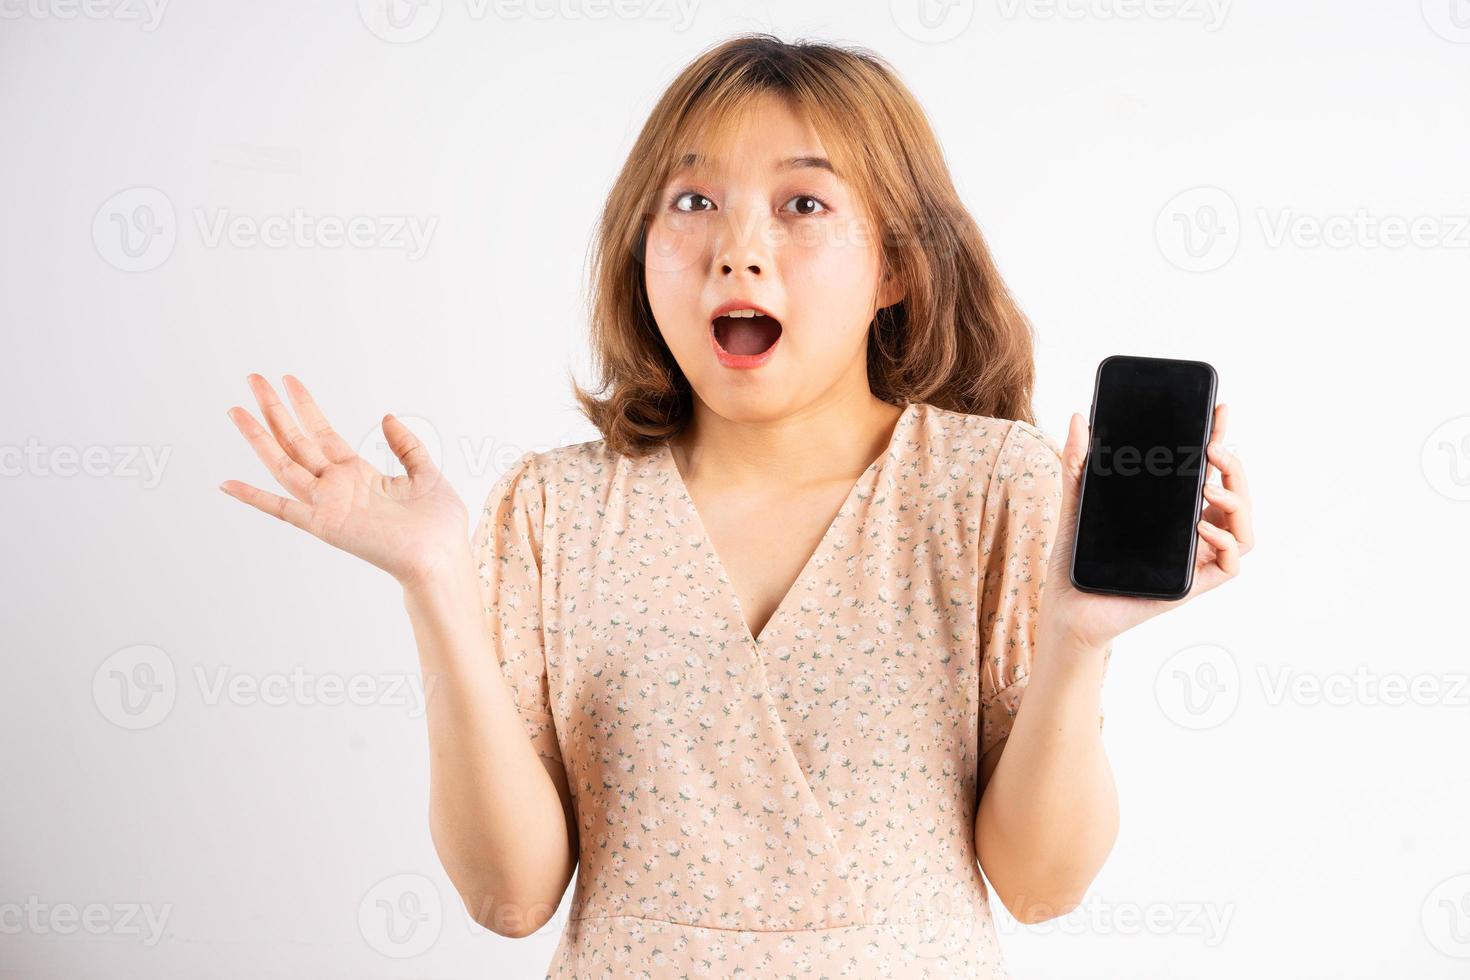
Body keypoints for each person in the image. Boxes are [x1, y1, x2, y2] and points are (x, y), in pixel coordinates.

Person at [220, 33, 1254, 980]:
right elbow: (509, 894)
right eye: (693, 201)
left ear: (894, 262)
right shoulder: (552, 508)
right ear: (641, 243)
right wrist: (436, 584)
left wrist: (1079, 640)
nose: (737, 248)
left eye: (803, 205)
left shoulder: (996, 490)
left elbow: (1042, 884)